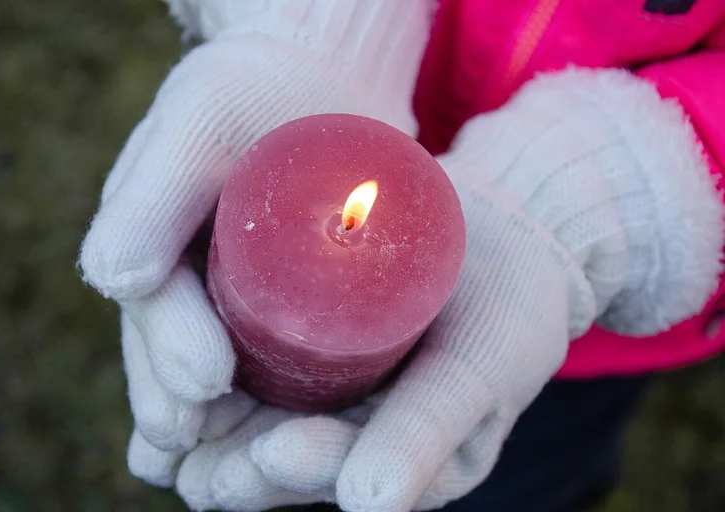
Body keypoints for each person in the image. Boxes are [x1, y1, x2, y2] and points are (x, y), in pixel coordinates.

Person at [78, 1, 725, 510]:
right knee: (297, 470)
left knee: (518, 475)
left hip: (567, 331)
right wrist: (315, 18)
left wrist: (632, 185)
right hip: (384, 63)